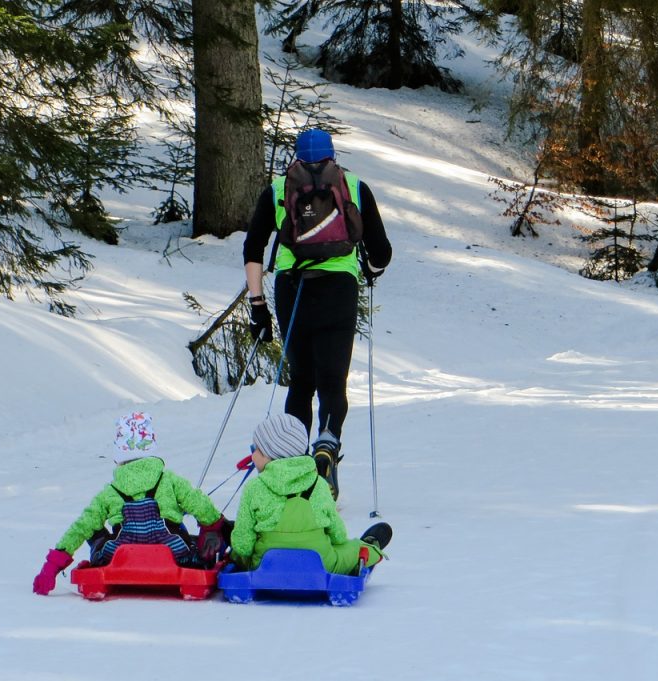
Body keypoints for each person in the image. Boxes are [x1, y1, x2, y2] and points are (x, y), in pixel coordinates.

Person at [243, 128, 392, 499]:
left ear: (296, 157)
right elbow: (382, 251)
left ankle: (293, 467)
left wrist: (257, 305)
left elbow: (253, 246)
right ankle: (327, 447)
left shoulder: (279, 190)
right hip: (338, 290)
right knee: (332, 380)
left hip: (293, 290)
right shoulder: (354, 186)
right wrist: (370, 271)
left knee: (301, 382)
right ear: (332, 156)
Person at [32, 412, 228, 595]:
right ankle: (200, 556)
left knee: (91, 525)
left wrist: (52, 566)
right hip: (175, 554)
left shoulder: (110, 492)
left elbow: (80, 527)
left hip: (119, 555)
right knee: (193, 528)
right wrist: (217, 526)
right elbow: (202, 506)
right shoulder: (170, 480)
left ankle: (104, 559)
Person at [229, 413, 392, 575]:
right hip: (321, 564)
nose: (252, 454)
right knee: (352, 549)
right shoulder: (319, 484)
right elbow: (339, 536)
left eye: (256, 449)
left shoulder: (254, 488)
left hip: (264, 565)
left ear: (270, 454)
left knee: (240, 553)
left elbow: (242, 544)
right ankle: (370, 547)